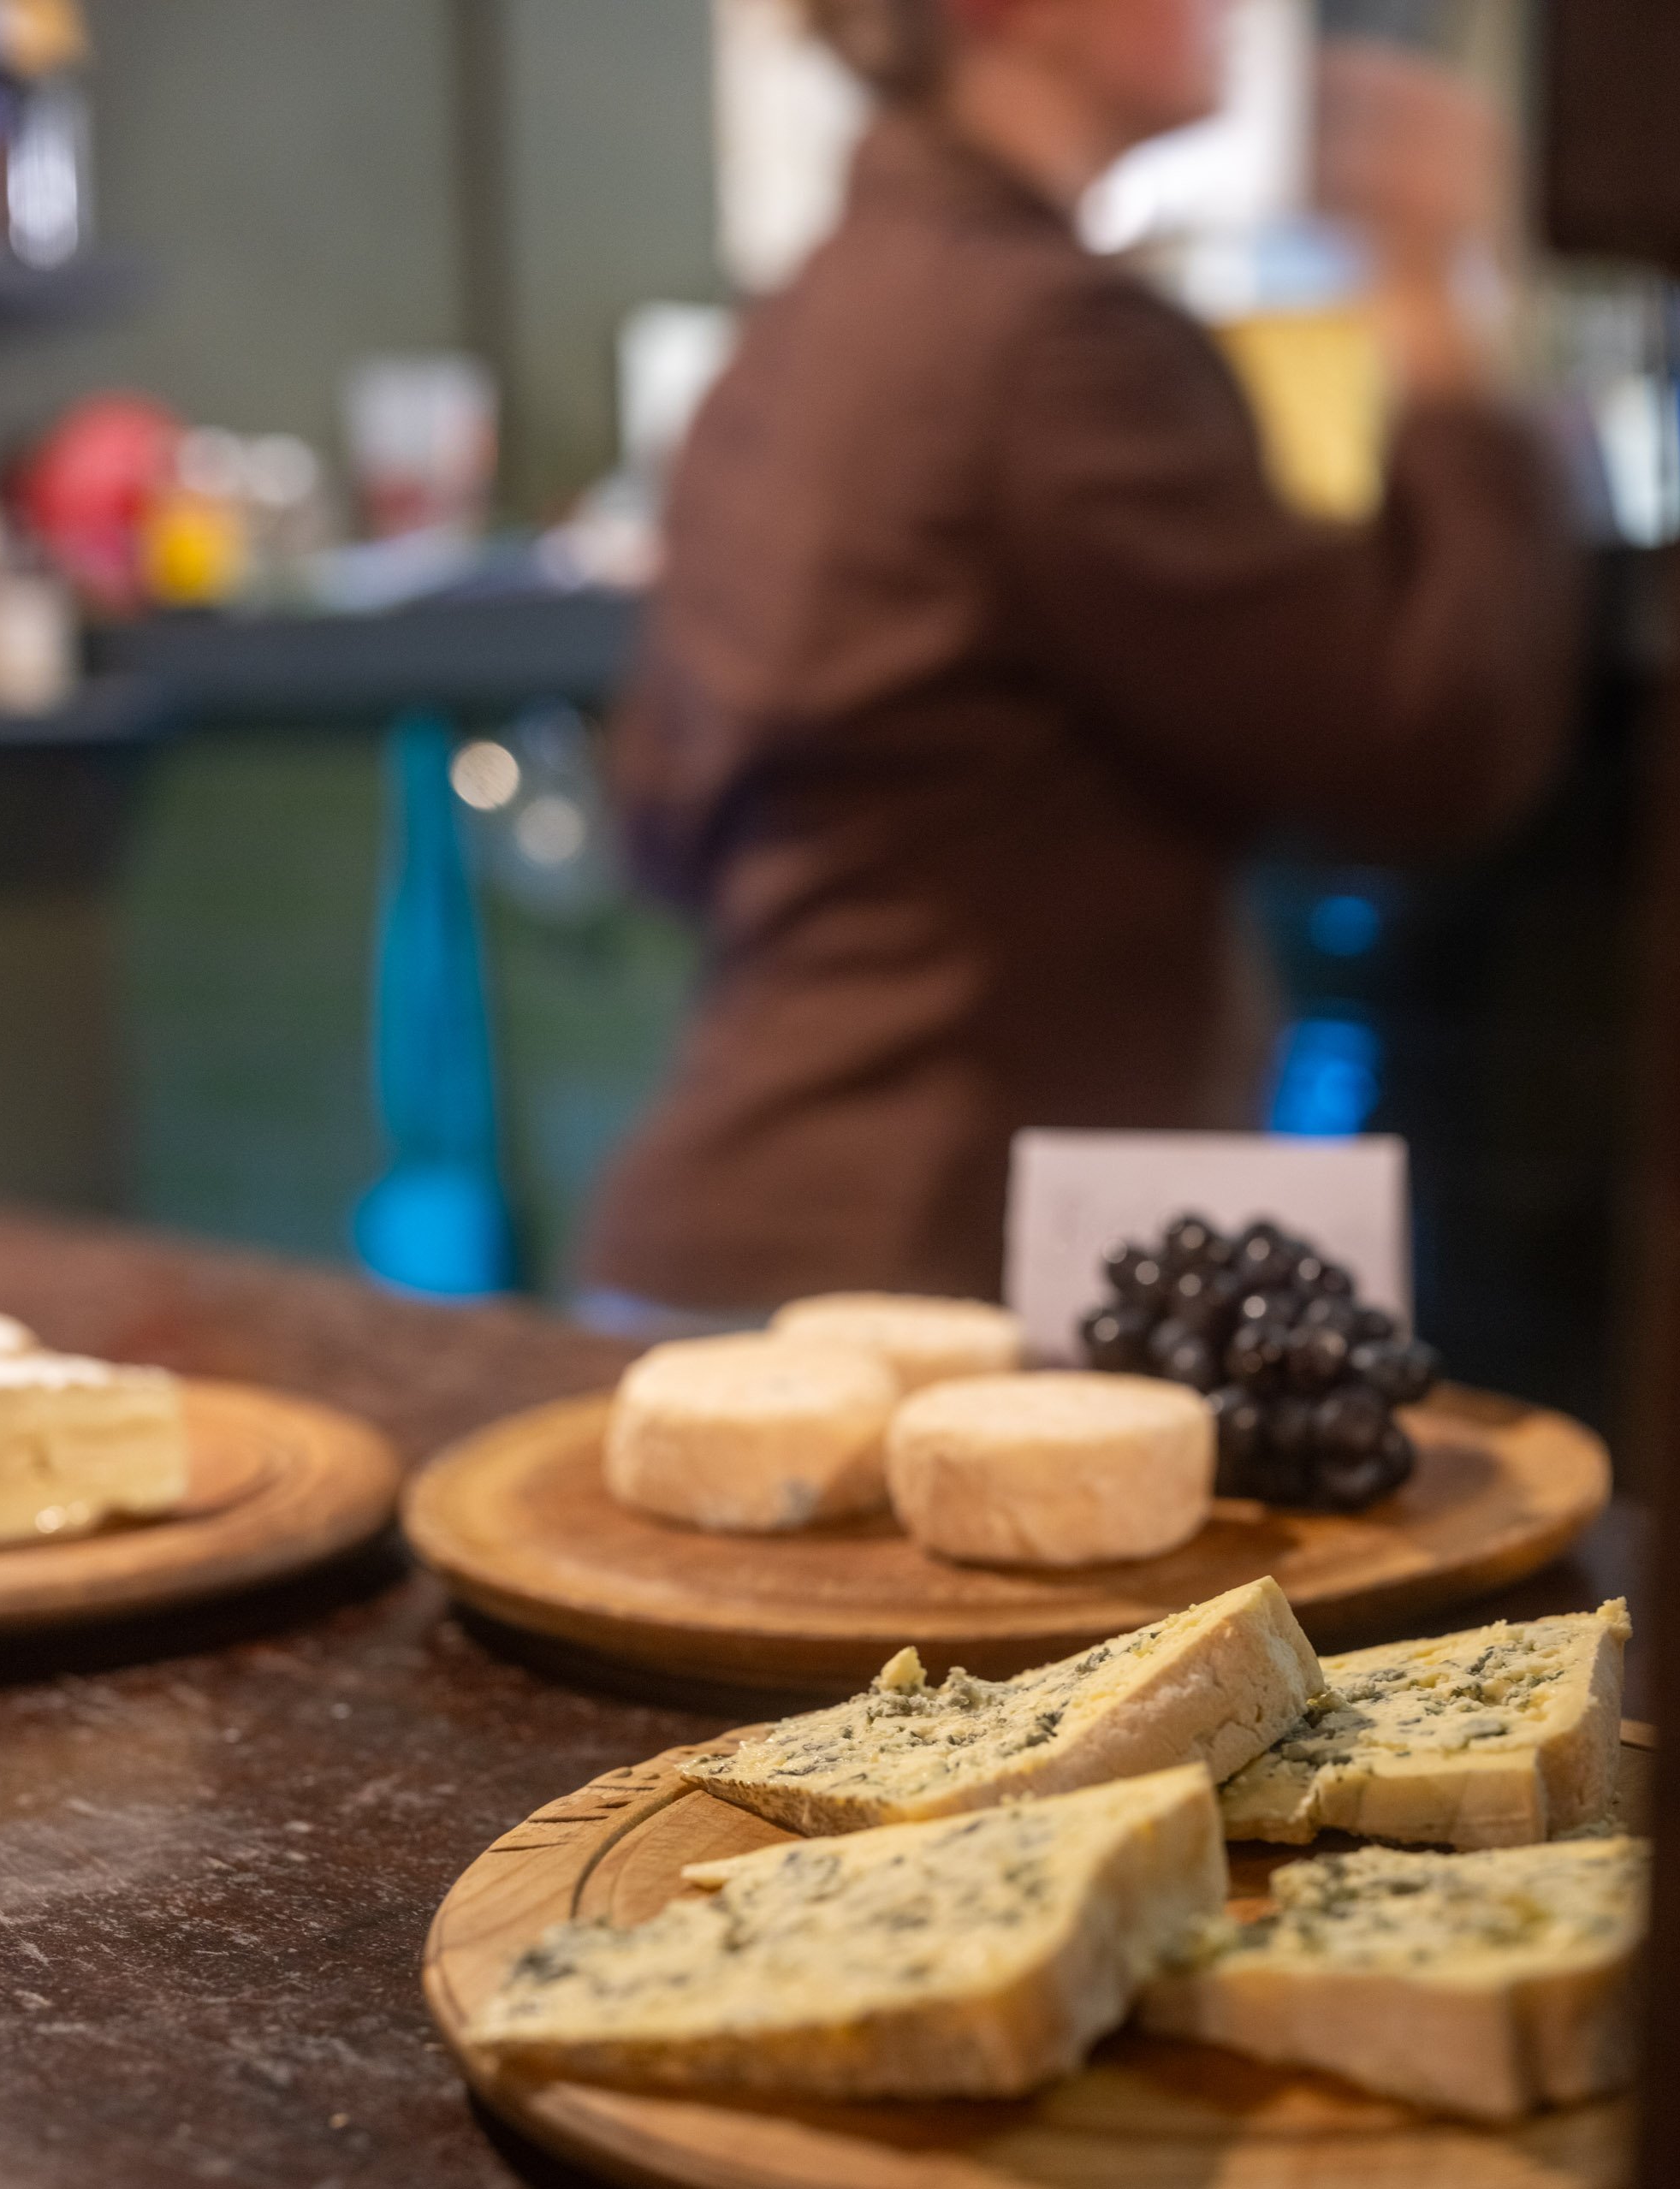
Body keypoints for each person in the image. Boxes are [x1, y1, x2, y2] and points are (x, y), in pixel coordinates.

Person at [577, 0, 1581, 1328]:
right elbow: (1423, 745)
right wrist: (1430, 297)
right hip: (929, 1276)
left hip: (750, 1247)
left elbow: (659, 819)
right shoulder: (1052, 341)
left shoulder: (805, 322)